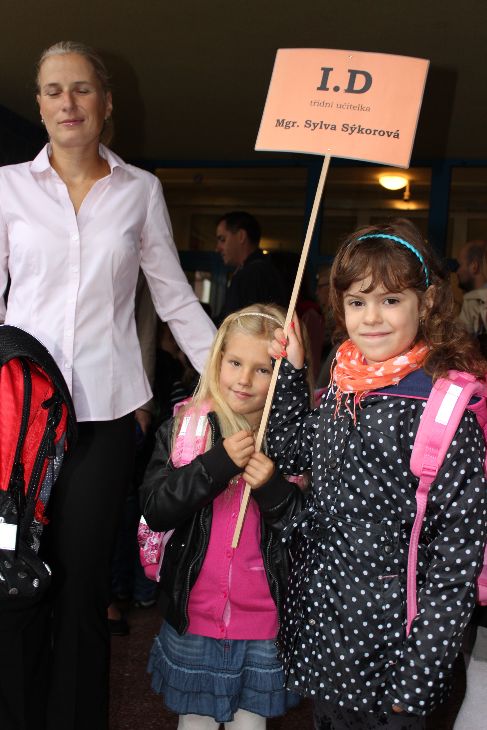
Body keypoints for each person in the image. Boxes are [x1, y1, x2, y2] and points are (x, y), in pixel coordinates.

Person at [0, 41, 215, 730]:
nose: (68, 102)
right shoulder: (6, 188)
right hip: (19, 422)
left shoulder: (139, 191)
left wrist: (237, 369)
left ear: (106, 101)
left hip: (102, 419)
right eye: (53, 90)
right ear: (39, 105)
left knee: (83, 589)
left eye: (82, 88)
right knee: (14, 585)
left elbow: (174, 297)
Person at [266, 219, 487, 730]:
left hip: (393, 658)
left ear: (425, 303)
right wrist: (292, 374)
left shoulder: (440, 409)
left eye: (390, 300)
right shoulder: (343, 383)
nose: (371, 318)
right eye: (357, 301)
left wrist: (418, 678)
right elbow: (292, 452)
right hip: (326, 637)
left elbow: (456, 558)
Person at [140, 303, 303, 730]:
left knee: (250, 725)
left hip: (264, 622)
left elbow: (306, 530)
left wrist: (272, 488)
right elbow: (156, 509)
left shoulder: (292, 443)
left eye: (263, 369)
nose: (244, 379)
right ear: (217, 361)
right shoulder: (183, 429)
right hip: (194, 615)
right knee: (194, 723)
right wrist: (214, 467)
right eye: (235, 363)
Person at [215, 211, 287, 322]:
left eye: (222, 239)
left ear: (241, 236)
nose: (217, 248)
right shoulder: (268, 269)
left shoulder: (251, 274)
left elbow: (234, 324)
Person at [456, 239, 487, 353]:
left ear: (474, 266)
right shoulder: (471, 300)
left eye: (460, 265)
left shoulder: (473, 302)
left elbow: (459, 346)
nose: (457, 271)